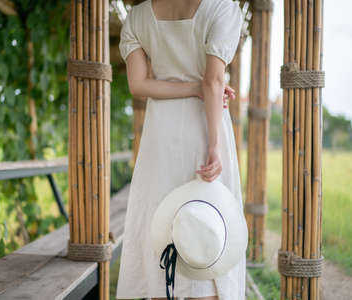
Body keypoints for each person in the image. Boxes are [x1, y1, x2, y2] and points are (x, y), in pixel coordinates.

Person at [115, 0, 246, 299]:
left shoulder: (137, 17)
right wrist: (214, 145)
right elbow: (214, 80)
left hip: (160, 137)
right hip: (204, 128)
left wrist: (192, 87)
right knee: (210, 224)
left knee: (161, 224)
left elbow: (139, 85)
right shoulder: (223, 8)